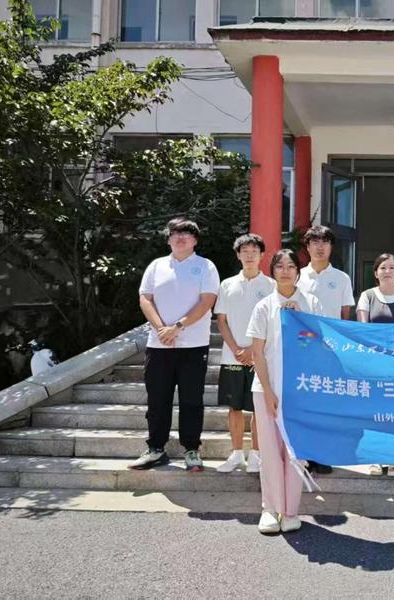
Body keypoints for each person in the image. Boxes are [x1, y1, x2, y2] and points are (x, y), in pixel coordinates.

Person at [131, 217, 219, 472]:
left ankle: (191, 450)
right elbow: (145, 299)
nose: (180, 237)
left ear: (195, 240)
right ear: (168, 239)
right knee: (158, 400)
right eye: (175, 233)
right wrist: (162, 329)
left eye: (187, 233)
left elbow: (207, 302)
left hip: (193, 345)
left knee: (192, 400)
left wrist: (177, 327)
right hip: (159, 345)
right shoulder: (156, 266)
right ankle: (155, 449)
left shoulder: (205, 266)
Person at [247, 248, 323, 534]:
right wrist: (268, 391)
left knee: (295, 452)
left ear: (298, 272)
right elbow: (257, 352)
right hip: (266, 389)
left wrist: (300, 318)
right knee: (269, 451)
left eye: (291, 266)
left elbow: (318, 343)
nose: (286, 271)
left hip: (300, 390)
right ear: (273, 271)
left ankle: (291, 511)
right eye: (280, 266)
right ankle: (270, 509)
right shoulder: (264, 306)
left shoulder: (311, 302)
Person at [296, 225, 355, 475]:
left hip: (330, 350)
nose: (320, 247)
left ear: (331, 247)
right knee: (305, 402)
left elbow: (344, 315)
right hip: (302, 349)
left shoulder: (341, 278)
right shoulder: (297, 275)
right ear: (307, 247)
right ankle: (305, 454)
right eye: (315, 242)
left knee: (327, 403)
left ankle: (324, 454)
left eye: (325, 242)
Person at [214, 233, 275, 474]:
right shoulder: (227, 284)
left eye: (254, 252)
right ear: (238, 255)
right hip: (232, 357)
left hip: (260, 358)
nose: (249, 256)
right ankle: (237, 453)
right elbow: (221, 320)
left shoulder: (271, 286)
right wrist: (236, 348)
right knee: (234, 407)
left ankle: (256, 455)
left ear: (262, 255)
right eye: (245, 251)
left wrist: (253, 349)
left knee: (258, 407)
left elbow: (273, 323)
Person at [356, 253, 394, 477]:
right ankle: (374, 457)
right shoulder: (367, 296)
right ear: (376, 272)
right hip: (373, 366)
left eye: (392, 267)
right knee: (374, 413)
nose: (387, 271)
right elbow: (362, 331)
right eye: (383, 267)